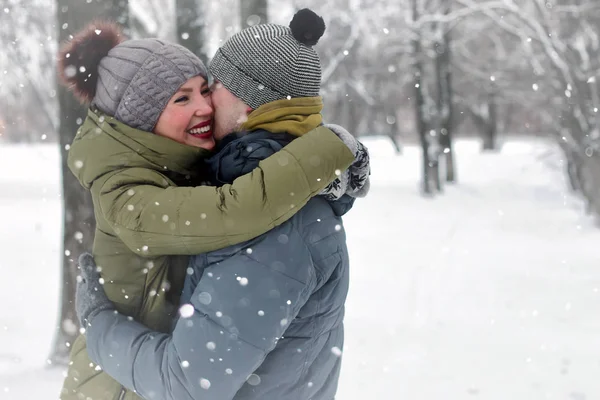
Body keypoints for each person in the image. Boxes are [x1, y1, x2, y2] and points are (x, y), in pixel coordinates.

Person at [57, 18, 364, 400]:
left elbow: (187, 383)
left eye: (211, 88)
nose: (204, 105)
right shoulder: (238, 186)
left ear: (246, 100)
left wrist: (98, 323)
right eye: (186, 97)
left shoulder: (282, 221)